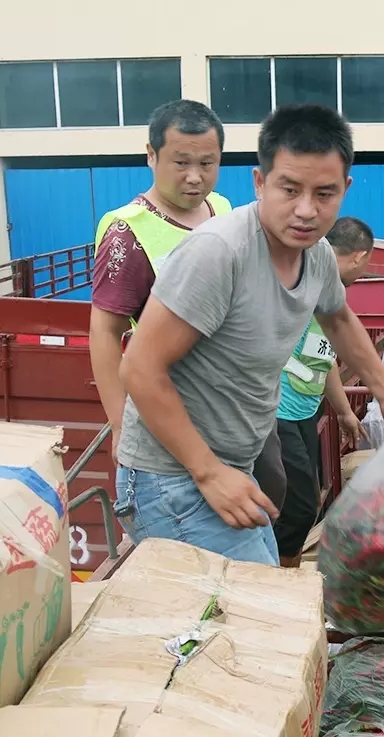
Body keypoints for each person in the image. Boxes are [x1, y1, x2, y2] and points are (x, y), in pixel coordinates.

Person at [115, 104, 384, 566]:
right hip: (171, 477)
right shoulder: (220, 253)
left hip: (233, 466)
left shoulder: (318, 255)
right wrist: (208, 473)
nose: (306, 210)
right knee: (254, 619)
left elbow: (339, 319)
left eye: (324, 193)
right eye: (289, 189)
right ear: (260, 183)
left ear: (345, 189)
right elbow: (138, 368)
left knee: (269, 594)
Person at [90, 100, 232, 465]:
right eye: (181, 162)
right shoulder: (128, 233)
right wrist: (120, 424)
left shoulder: (222, 208)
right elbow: (105, 333)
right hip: (173, 407)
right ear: (151, 155)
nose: (195, 176)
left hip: (233, 404)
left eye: (207, 163)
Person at [264, 216, 375, 568]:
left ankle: (285, 574)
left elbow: (323, 361)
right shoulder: (301, 283)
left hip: (304, 412)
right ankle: (280, 582)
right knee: (299, 507)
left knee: (303, 501)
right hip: (277, 411)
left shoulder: (328, 297)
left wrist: (343, 411)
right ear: (359, 257)